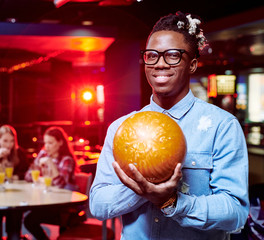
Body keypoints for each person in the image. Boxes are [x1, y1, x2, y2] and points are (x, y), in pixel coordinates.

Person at [89, 11, 249, 240]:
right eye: (151, 55)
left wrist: (171, 201)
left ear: (192, 64)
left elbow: (235, 213)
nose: (160, 64)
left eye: (172, 55)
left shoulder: (222, 126)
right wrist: (144, 189)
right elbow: (98, 205)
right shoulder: (120, 129)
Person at [23, 126, 78, 240]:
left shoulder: (67, 160)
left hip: (63, 208)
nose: (46, 146)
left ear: (60, 143)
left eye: (50, 143)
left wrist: (51, 164)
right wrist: (38, 167)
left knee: (29, 220)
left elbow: (61, 186)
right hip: (45, 202)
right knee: (27, 216)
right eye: (45, 143)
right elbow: (28, 176)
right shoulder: (43, 155)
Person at [0, 124, 31, 240]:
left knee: (14, 218)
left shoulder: (19, 153)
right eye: (5, 141)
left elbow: (26, 173)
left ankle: (13, 236)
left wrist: (14, 177)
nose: (9, 145)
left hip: (14, 195)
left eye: (11, 141)